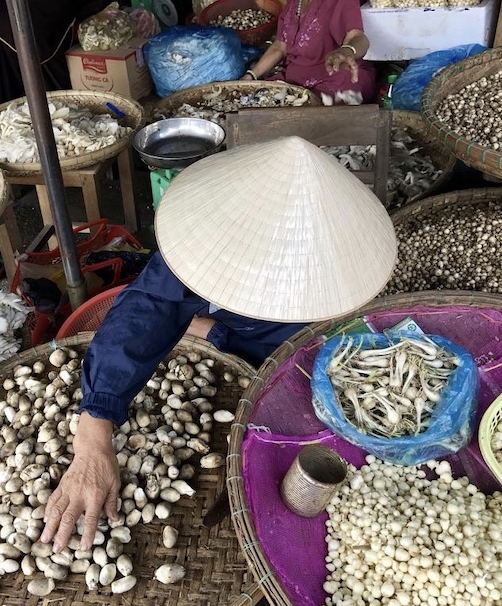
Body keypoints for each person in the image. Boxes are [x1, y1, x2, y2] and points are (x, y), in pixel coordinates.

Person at [39, 136, 398, 552]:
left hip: (290, 356)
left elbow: (320, 348)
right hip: (235, 338)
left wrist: (223, 337)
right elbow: (146, 311)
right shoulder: (211, 236)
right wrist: (93, 434)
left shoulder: (339, 263)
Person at [241, 0, 376, 105]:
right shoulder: (294, 3)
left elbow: (358, 37)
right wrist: (250, 76)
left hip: (331, 77)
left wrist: (347, 50)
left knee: (321, 106)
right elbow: (280, 46)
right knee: (254, 100)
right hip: (294, 79)